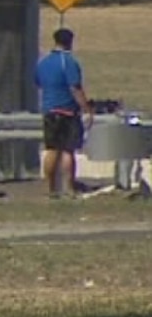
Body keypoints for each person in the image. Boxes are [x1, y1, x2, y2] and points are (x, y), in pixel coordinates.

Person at [35, 28, 93, 199]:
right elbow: (75, 87)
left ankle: (50, 187)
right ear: (70, 41)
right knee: (68, 150)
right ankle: (69, 187)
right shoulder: (68, 62)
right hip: (67, 110)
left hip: (49, 109)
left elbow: (38, 82)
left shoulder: (43, 62)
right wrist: (86, 108)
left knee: (51, 149)